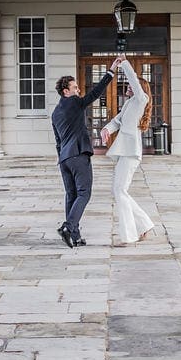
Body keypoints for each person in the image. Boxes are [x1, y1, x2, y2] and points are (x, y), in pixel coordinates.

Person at [51, 57, 121, 248]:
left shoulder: (55, 112)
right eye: (74, 88)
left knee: (71, 195)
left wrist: (62, 157)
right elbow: (95, 94)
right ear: (66, 92)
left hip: (64, 160)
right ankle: (68, 226)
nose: (78, 90)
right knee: (84, 193)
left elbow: (58, 141)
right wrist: (111, 71)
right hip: (78, 155)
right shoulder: (73, 102)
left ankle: (74, 236)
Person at [100, 55, 155, 246]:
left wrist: (124, 63)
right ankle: (144, 224)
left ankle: (130, 234)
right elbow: (117, 120)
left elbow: (133, 79)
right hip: (124, 151)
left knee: (119, 190)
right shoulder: (130, 103)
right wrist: (106, 128)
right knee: (119, 190)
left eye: (132, 85)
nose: (128, 86)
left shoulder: (141, 99)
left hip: (131, 152)